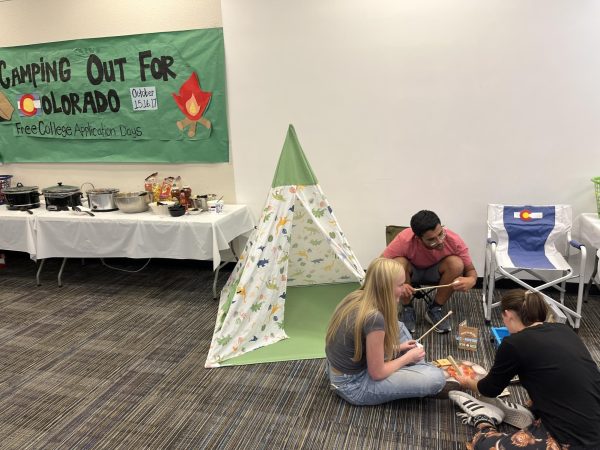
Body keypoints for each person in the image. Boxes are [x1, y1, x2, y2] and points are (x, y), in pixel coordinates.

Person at [449, 289, 600, 449]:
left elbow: (489, 389)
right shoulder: (564, 330)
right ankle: (532, 412)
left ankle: (485, 418)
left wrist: (467, 382)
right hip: (591, 417)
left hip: (575, 439)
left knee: (482, 444)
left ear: (508, 314)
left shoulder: (513, 344)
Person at [324, 257, 447, 406]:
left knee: (399, 326)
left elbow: (363, 346)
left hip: (338, 369)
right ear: (386, 287)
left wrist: (398, 349)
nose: (404, 289)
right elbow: (377, 373)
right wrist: (407, 358)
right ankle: (417, 369)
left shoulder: (356, 296)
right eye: (401, 285)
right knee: (436, 378)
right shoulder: (374, 318)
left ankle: (415, 369)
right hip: (353, 385)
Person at [381, 210, 477, 334]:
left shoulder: (454, 240)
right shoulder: (404, 239)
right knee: (398, 262)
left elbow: (471, 271)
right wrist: (397, 285)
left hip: (436, 273)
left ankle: (435, 309)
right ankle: (407, 308)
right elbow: (379, 266)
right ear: (418, 239)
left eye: (441, 234)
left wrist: (471, 280)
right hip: (410, 273)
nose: (440, 241)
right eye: (431, 239)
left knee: (457, 264)